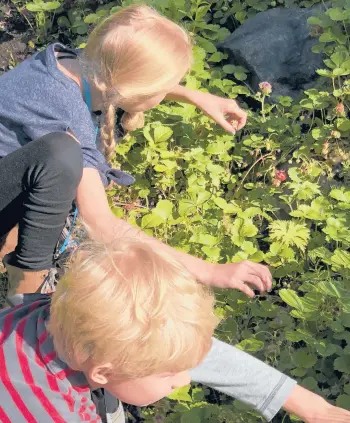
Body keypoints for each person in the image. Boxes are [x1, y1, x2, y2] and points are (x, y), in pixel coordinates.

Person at [0, 5, 349, 423]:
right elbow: (104, 226)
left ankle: (28, 299)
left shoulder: (76, 65)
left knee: (131, 327)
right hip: (17, 207)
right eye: (166, 87)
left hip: (28, 198)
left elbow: (119, 76)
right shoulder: (64, 114)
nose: (181, 379)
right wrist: (212, 272)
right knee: (63, 157)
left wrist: (194, 94)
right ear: (130, 88)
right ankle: (25, 285)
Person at [1, 240, 349, 423]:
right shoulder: (53, 413)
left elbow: (178, 348)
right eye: (170, 373)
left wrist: (310, 406)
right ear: (104, 371)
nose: (184, 380)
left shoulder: (69, 313)